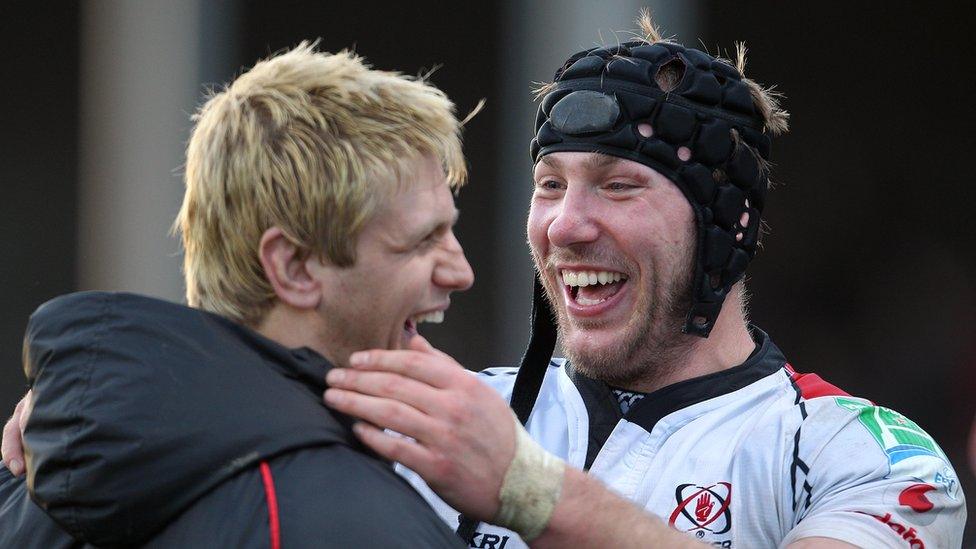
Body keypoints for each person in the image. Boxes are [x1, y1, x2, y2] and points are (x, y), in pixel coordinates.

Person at [314, 12, 968, 549]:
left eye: (618, 186)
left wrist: (530, 491)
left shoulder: (867, 455)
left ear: (727, 224)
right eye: (550, 186)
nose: (566, 226)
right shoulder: (434, 419)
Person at [0, 42, 474, 547]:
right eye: (423, 240)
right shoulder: (356, 524)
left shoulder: (37, 476)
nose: (460, 271)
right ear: (293, 268)